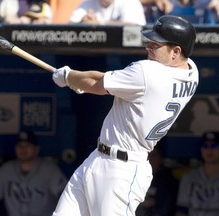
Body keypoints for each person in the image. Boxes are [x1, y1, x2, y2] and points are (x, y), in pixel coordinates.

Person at [52, 14, 199, 216]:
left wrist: (68, 77)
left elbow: (95, 83)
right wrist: (77, 82)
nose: (148, 47)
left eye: (155, 45)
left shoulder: (148, 73)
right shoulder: (192, 71)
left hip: (122, 170)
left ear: (175, 52)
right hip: (98, 158)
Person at [0, 131, 68, 216]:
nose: (23, 149)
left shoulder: (50, 170)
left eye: (28, 145)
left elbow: (66, 197)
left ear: (36, 149)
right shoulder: (5, 170)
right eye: (20, 146)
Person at [175, 131, 219, 216]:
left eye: (214, 146)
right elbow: (182, 210)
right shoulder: (189, 177)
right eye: (205, 146)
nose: (209, 150)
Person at [136, 139, 179, 216]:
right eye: (148, 154)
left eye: (154, 155)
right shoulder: (135, 178)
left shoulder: (168, 182)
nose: (150, 158)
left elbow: (166, 209)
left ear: (161, 158)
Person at [69, 0, 147, 25]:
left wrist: (99, 23)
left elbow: (135, 26)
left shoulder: (129, 2)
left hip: (127, 54)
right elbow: (70, 25)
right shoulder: (87, 3)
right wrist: (83, 22)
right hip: (95, 53)